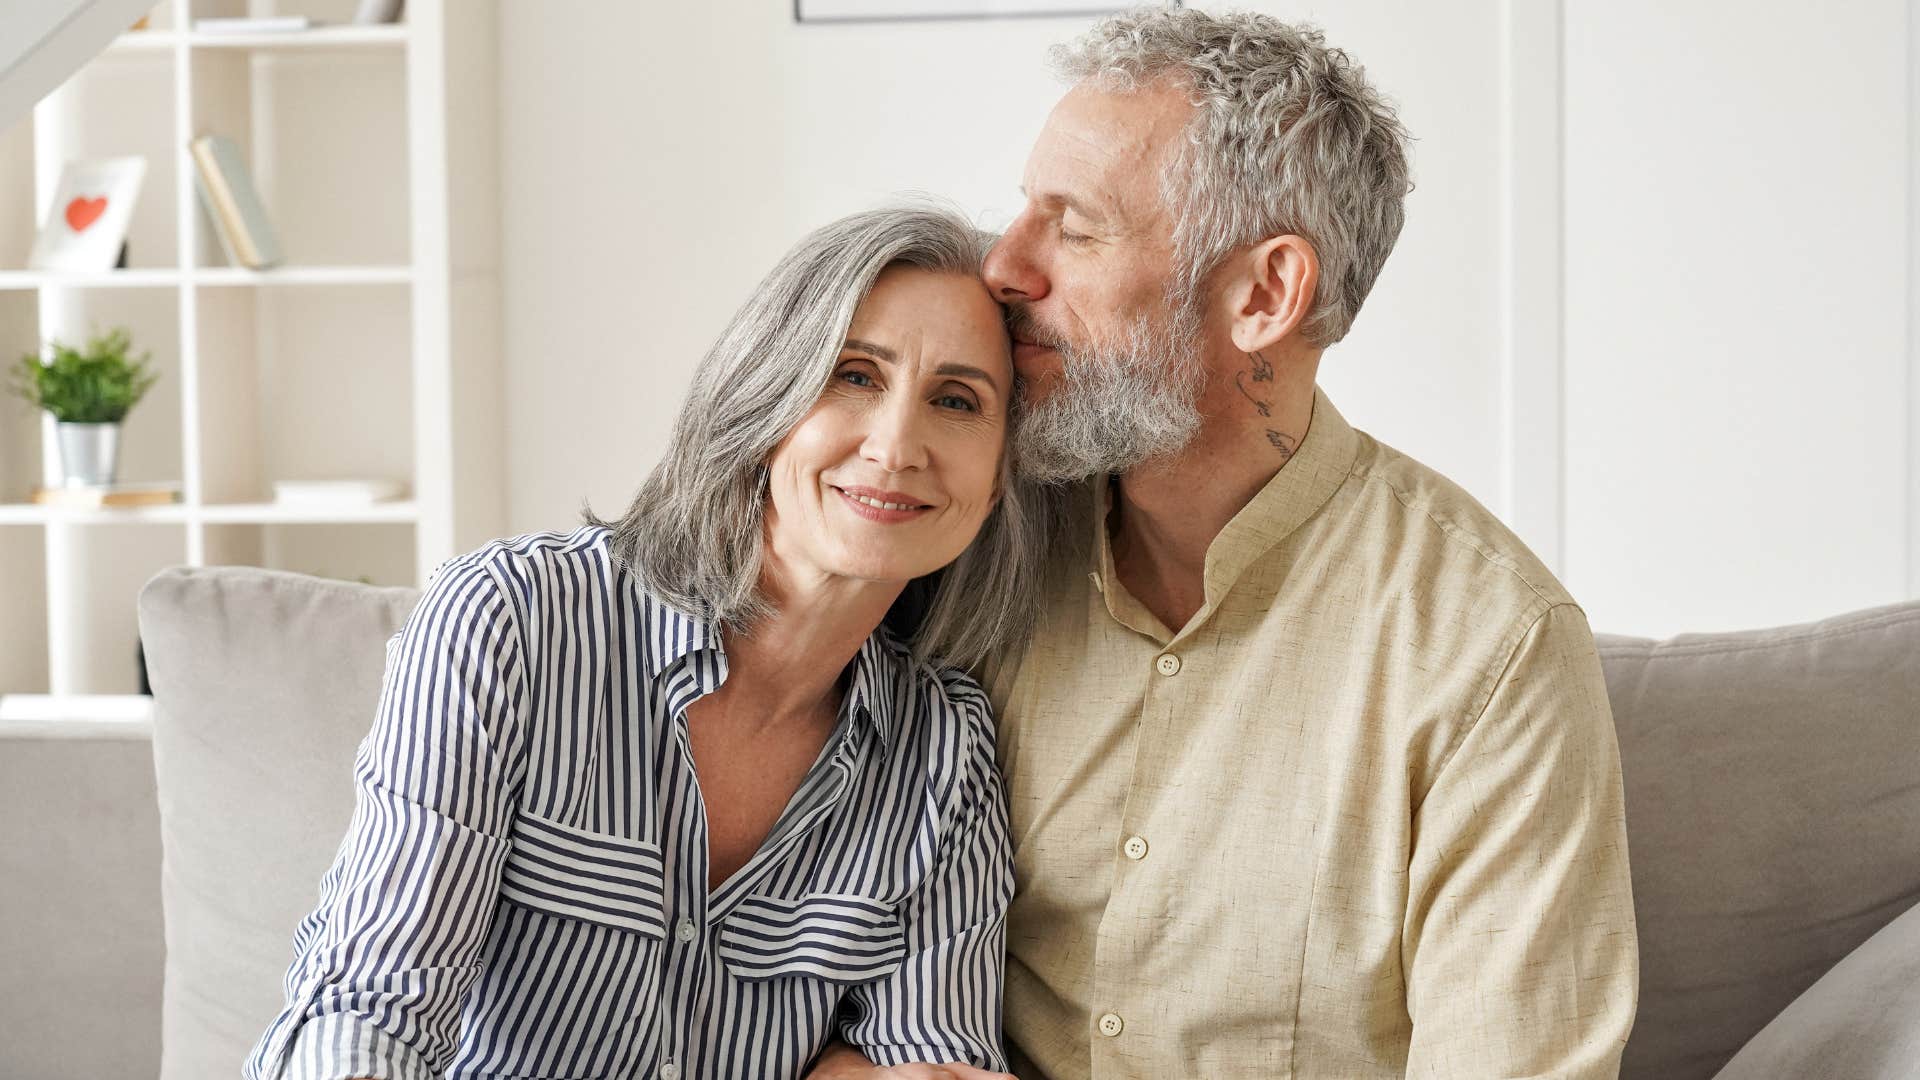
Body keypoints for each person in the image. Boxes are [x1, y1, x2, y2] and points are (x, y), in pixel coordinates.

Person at [819, 8, 1638, 1080]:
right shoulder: (963, 540)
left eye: (1072, 228)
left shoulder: (1491, 653)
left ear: (1264, 294)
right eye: (1022, 213)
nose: (1004, 268)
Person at [243, 204, 1041, 1080]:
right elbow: (373, 1011)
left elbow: (936, 1067)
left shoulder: (944, 753)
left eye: (958, 401)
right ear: (765, 400)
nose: (896, 447)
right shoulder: (512, 622)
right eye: (853, 377)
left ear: (1002, 475)